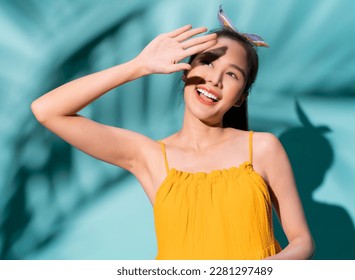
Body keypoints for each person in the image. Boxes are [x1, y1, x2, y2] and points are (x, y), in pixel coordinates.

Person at [31, 16, 314, 259]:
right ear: (185, 71)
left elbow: (302, 243)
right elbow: (46, 111)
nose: (215, 80)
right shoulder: (150, 156)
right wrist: (139, 66)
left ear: (241, 97)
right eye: (207, 63)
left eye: (232, 74)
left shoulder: (263, 148)